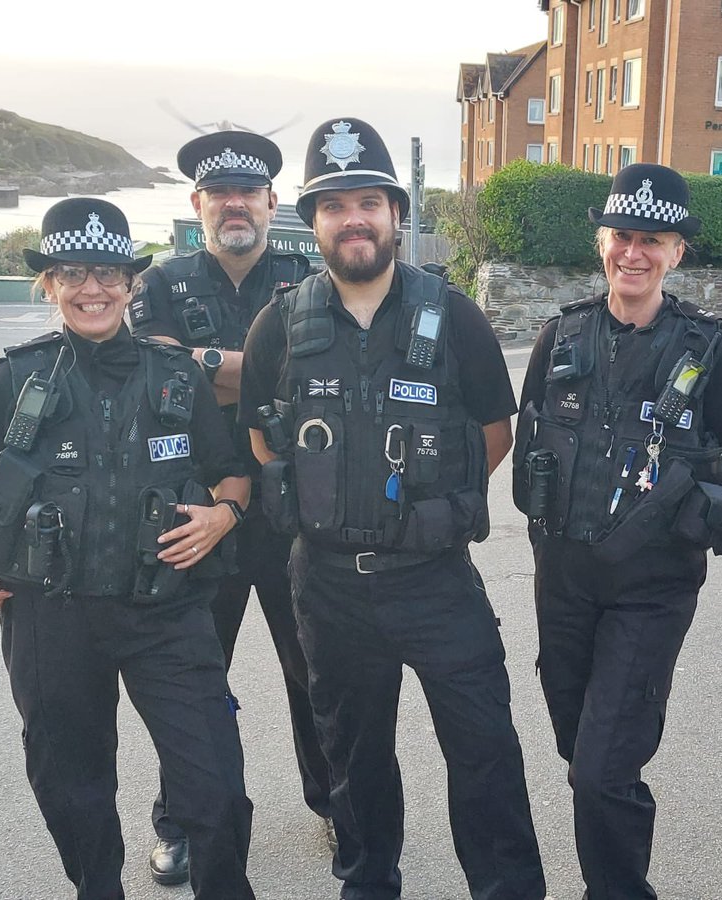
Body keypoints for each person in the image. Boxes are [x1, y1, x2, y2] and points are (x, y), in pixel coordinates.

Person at [238, 117, 546, 899]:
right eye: (335, 205)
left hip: (435, 580)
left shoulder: (454, 315)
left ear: (396, 214)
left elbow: (494, 432)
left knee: (484, 750)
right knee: (354, 761)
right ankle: (368, 884)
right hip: (329, 587)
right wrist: (326, 498)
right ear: (312, 222)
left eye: (368, 202)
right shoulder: (281, 321)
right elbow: (260, 434)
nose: (354, 219)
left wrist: (422, 511)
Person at [0, 198, 255, 899]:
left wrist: (224, 515)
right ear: (49, 284)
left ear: (131, 284)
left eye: (109, 274)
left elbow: (233, 472)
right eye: (72, 274)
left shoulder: (176, 374)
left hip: (167, 610)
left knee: (214, 784)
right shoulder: (18, 377)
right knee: (72, 787)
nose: (92, 289)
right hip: (50, 616)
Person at [513, 163, 722, 900]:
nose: (634, 252)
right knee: (580, 751)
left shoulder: (707, 350)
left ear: (676, 252)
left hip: (651, 591)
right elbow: (529, 437)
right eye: (622, 235)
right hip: (562, 581)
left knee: (602, 770)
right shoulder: (559, 336)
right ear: (601, 243)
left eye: (652, 240)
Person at [130, 129, 330, 884]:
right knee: (188, 681)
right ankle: (181, 822)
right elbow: (158, 375)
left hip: (291, 506)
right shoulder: (161, 282)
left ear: (273, 203)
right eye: (220, 193)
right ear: (198, 204)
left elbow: (318, 378)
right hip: (197, 509)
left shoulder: (309, 276)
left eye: (248, 192)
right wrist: (263, 368)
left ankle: (334, 805)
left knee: (312, 669)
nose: (234, 204)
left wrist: (205, 365)